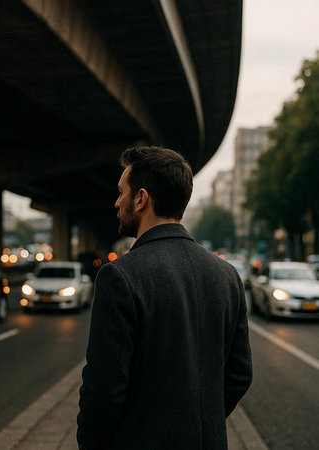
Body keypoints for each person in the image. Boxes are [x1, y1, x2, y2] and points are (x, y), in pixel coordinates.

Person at [77, 146, 252, 449]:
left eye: (121, 193)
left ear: (141, 198)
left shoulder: (119, 276)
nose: (116, 202)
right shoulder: (227, 275)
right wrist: (199, 419)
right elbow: (239, 374)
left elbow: (104, 389)